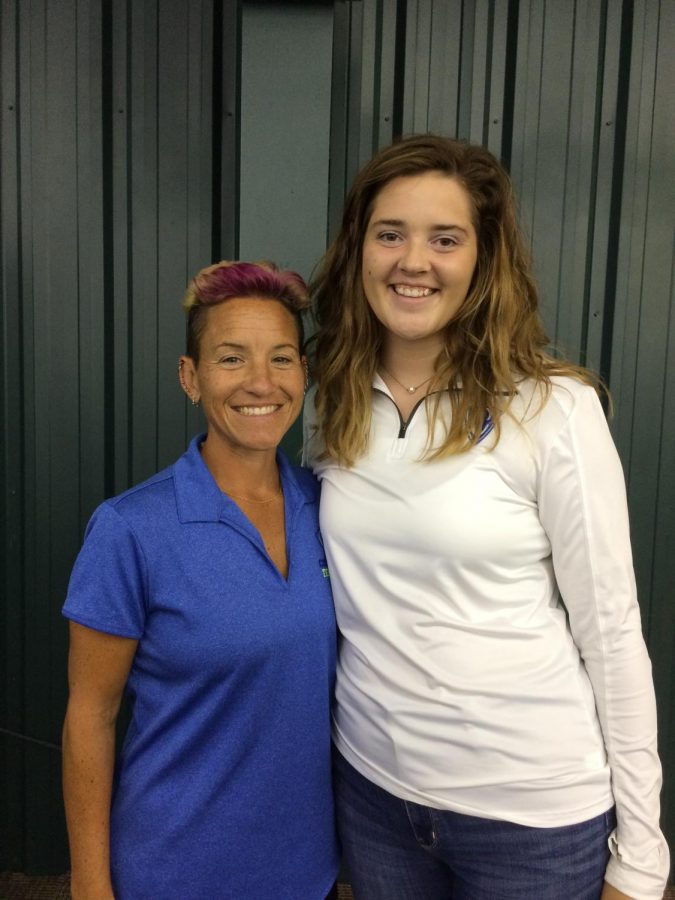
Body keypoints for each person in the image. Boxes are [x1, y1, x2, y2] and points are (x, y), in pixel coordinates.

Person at [303, 135, 670, 900]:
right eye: (389, 233)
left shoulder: (552, 409)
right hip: (372, 797)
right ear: (358, 248)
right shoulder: (327, 399)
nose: (413, 261)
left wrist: (641, 856)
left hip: (529, 820)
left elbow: (610, 632)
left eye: (445, 238)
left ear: (482, 257)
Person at [62, 260, 339, 900]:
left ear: (305, 373)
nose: (261, 382)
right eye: (231, 359)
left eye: (282, 358)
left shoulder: (330, 507)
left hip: (308, 872)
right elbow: (90, 716)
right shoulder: (130, 529)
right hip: (172, 872)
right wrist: (89, 885)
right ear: (191, 377)